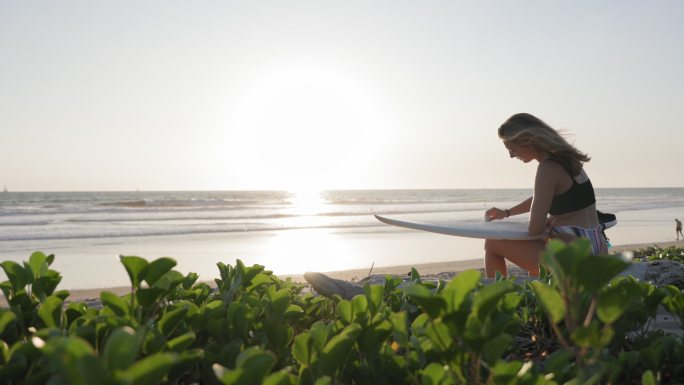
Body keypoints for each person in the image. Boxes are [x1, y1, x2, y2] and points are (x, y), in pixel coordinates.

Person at [483, 113, 607, 278]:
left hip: (573, 256)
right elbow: (543, 197)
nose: (511, 155)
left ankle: (497, 298)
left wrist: (544, 228)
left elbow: (534, 229)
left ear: (527, 141)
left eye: (512, 149)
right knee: (539, 245)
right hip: (596, 245)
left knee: (492, 242)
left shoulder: (547, 168)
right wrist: (507, 213)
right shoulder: (568, 160)